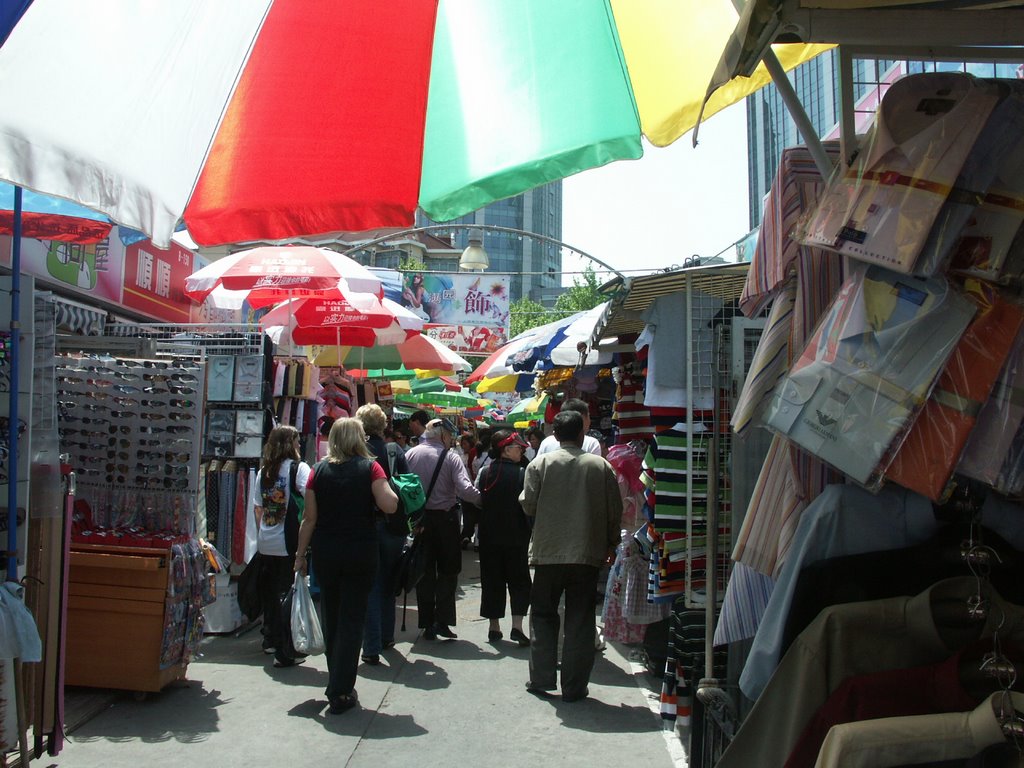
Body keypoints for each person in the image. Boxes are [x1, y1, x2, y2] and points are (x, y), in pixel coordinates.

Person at [294, 418, 398, 715]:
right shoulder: (371, 468)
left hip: (326, 553)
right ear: (358, 439)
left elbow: (309, 518)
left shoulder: (318, 470)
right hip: (360, 552)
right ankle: (340, 690)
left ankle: (337, 682)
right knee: (353, 619)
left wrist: (300, 555)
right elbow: (390, 504)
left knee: (332, 617)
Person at [519, 410, 622, 702]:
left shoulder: (539, 464)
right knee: (580, 619)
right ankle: (575, 687)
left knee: (542, 615)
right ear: (582, 435)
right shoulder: (600, 466)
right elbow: (614, 511)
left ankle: (541, 679)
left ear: (554, 434)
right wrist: (611, 544)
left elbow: (528, 505)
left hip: (547, 552)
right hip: (587, 554)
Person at [405, 417, 481, 640]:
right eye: (450, 436)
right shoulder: (452, 457)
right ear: (443, 436)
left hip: (420, 521)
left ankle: (427, 622)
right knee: (448, 571)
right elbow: (465, 490)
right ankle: (443, 620)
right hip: (446, 521)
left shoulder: (410, 454)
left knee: (424, 571)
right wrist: (485, 499)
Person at [356, 404, 409, 666]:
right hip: (393, 525)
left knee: (370, 585)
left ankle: (371, 645)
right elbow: (408, 485)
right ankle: (386, 637)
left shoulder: (356, 451)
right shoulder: (394, 450)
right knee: (388, 581)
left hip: (365, 524)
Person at [254, 425, 311, 667]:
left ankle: (271, 639)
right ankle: (287, 647)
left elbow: (258, 508)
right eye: (297, 441)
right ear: (290, 443)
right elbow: (311, 498)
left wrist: (264, 531)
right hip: (289, 539)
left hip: (267, 539)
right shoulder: (299, 469)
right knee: (290, 595)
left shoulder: (264, 471)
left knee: (271, 594)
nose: (299, 445)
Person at [475, 429, 532, 646]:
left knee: (492, 580)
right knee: (519, 580)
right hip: (516, 536)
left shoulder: (484, 472)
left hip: (489, 536)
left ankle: (494, 626)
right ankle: (516, 626)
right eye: (518, 448)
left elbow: (479, 499)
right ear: (506, 450)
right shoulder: (521, 473)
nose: (521, 451)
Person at [534, 399, 602, 457]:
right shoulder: (591, 443)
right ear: (581, 418)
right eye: (588, 416)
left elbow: (537, 468)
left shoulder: (547, 442)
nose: (590, 421)